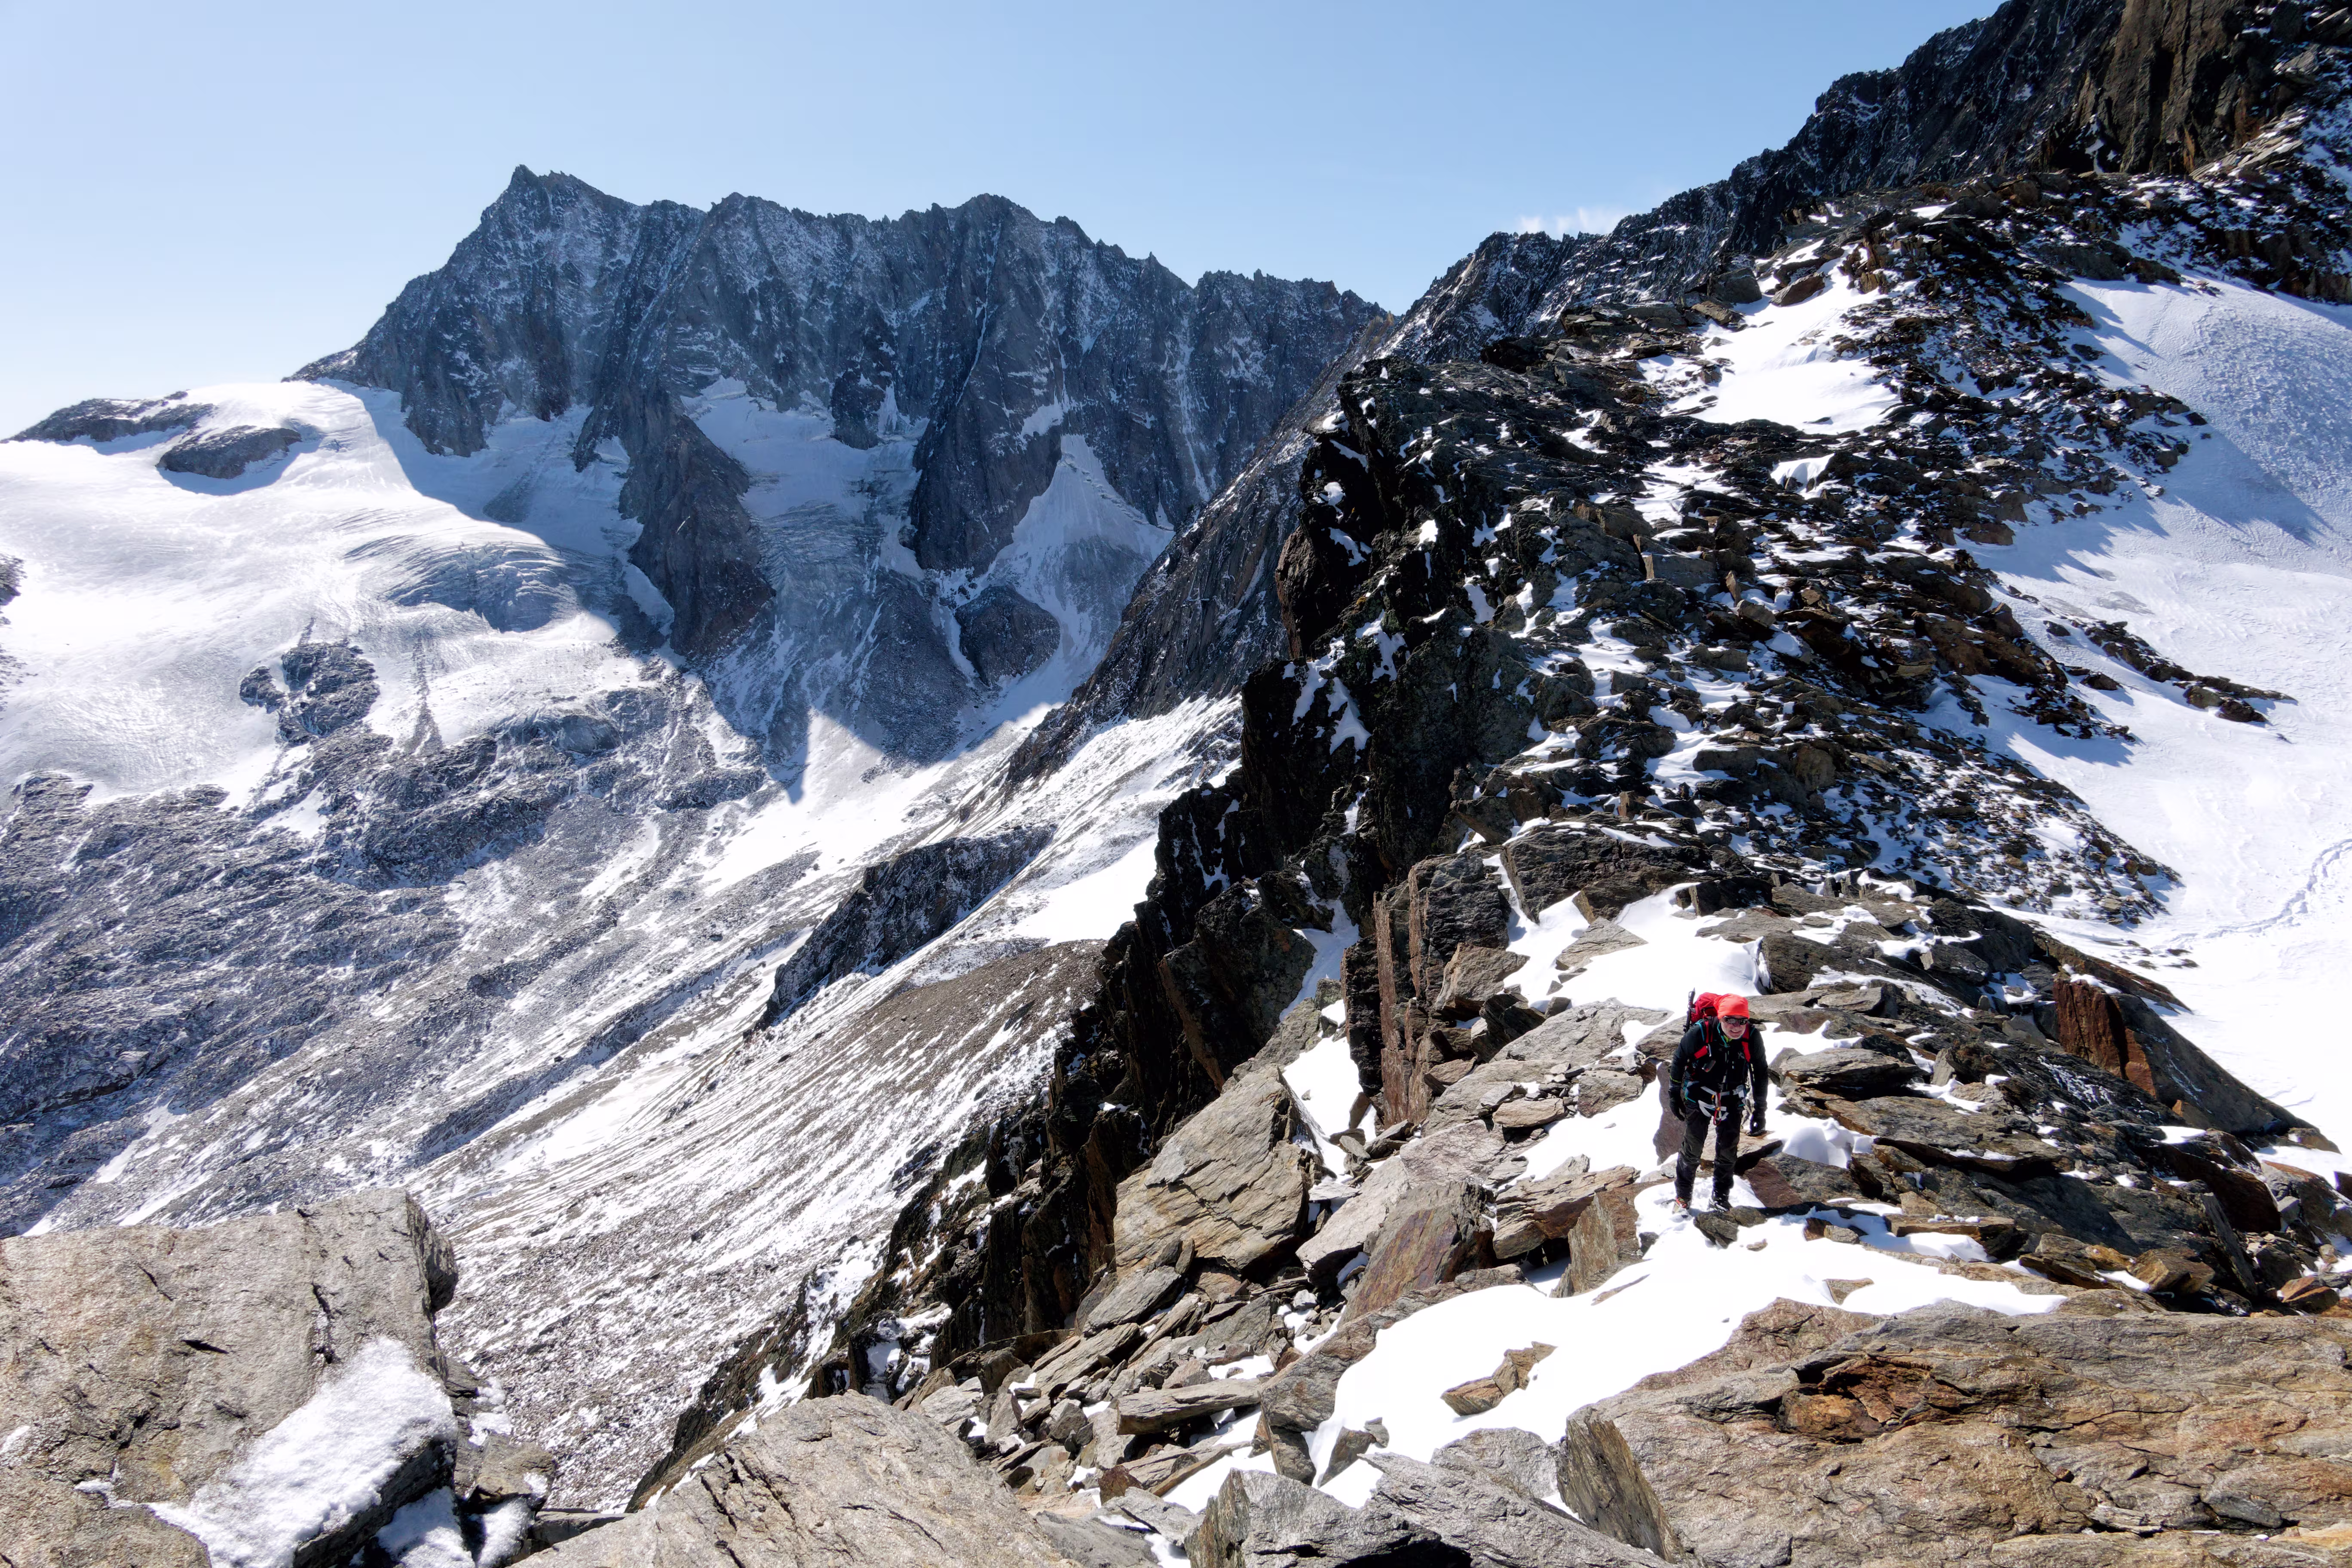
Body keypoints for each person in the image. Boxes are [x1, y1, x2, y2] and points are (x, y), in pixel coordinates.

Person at [1667, 994, 1767, 1213]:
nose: (1736, 1027)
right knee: (1692, 1149)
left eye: (1742, 1021)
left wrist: (1761, 1109)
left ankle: (1720, 1198)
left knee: (1728, 1152)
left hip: (1733, 1098)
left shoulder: (1751, 1036)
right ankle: (1683, 1197)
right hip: (1699, 1096)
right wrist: (1674, 1092)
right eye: (1730, 1020)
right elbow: (1679, 1058)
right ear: (1721, 1018)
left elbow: (1760, 1072)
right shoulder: (1702, 1031)